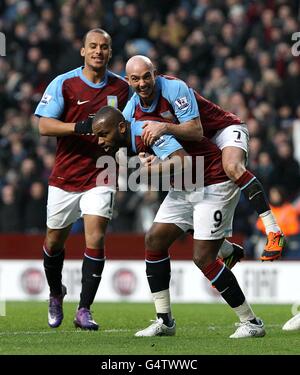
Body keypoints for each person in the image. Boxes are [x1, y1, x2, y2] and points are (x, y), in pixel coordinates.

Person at [91, 105, 266, 339]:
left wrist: (148, 173)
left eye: (103, 134)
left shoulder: (146, 133)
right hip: (186, 184)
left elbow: (182, 161)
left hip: (212, 181)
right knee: (154, 241)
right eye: (97, 135)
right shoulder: (127, 137)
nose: (100, 141)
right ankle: (165, 321)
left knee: (203, 258)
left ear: (121, 127)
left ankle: (252, 322)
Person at [123, 55, 285, 262]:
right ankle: (226, 250)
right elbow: (122, 136)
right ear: (128, 81)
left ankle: (274, 231)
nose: (142, 83)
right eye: (135, 79)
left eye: (146, 77)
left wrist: (163, 127)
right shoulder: (132, 107)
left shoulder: (173, 88)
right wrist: (141, 156)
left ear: (155, 74)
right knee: (188, 195)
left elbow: (196, 131)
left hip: (222, 129)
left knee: (232, 167)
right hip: (201, 149)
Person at [34, 28, 130, 330]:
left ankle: (84, 310)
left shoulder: (122, 88)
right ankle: (55, 292)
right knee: (53, 240)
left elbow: (132, 126)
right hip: (65, 173)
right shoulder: (64, 83)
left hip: (102, 171)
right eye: (93, 46)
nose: (98, 51)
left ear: (110, 52)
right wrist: (81, 128)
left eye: (104, 47)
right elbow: (44, 126)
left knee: (96, 237)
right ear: (83, 50)